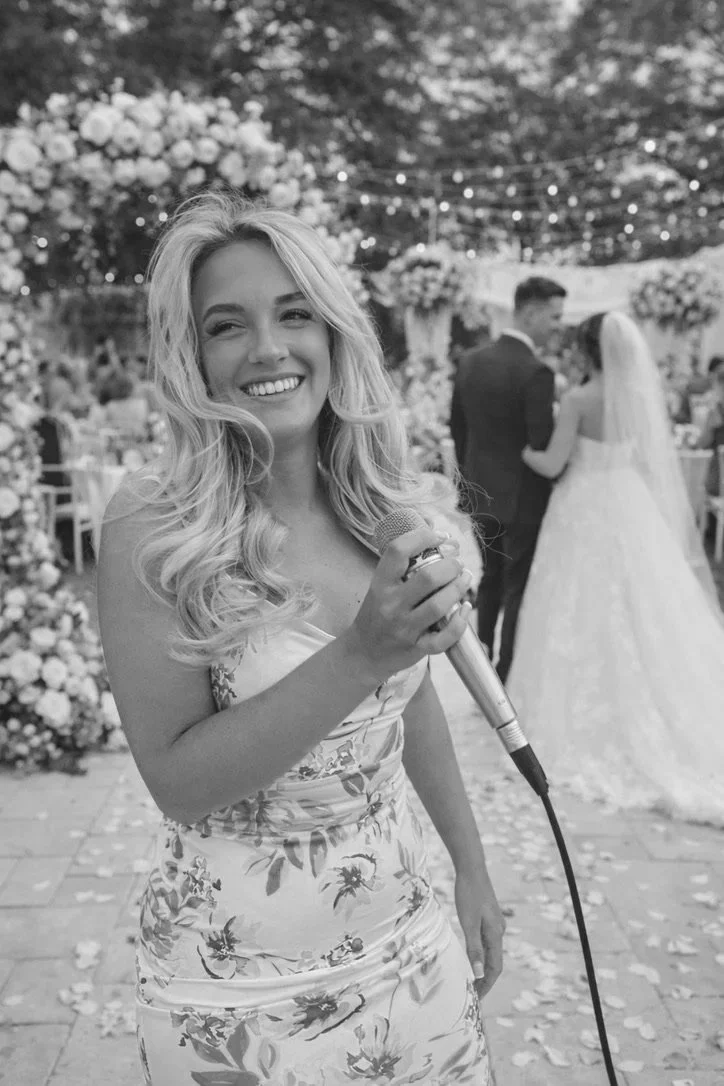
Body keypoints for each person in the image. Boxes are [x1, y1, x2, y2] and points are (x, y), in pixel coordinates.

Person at [97, 192, 503, 1086]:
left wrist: (470, 868)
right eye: (226, 326)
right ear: (189, 354)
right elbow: (179, 782)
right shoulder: (153, 526)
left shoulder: (381, 506)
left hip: (410, 946)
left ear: (334, 333)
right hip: (238, 987)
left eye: (294, 315)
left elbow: (414, 699)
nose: (270, 349)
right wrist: (359, 651)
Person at [507, 310, 724, 826]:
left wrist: (524, 451)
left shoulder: (580, 399)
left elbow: (554, 463)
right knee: (644, 603)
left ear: (588, 350)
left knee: (577, 605)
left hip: (583, 507)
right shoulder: (640, 398)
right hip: (629, 502)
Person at [449, 276, 566, 682]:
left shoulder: (470, 361)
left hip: (482, 493)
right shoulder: (536, 372)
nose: (558, 326)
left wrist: (467, 484)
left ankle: (482, 664)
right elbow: (540, 443)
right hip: (524, 501)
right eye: (554, 316)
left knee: (491, 579)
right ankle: (506, 672)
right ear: (530, 313)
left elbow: (458, 431)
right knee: (517, 588)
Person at [697, 364, 724, 497]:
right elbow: (702, 444)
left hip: (718, 482)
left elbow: (702, 444)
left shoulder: (715, 412)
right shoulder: (715, 412)